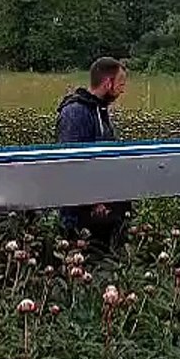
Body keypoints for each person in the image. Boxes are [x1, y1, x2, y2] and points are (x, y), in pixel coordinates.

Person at [56, 57, 131, 252]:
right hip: (83, 214)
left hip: (104, 206)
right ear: (107, 83)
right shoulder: (76, 113)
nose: (122, 90)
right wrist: (93, 200)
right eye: (120, 84)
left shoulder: (100, 111)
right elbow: (72, 163)